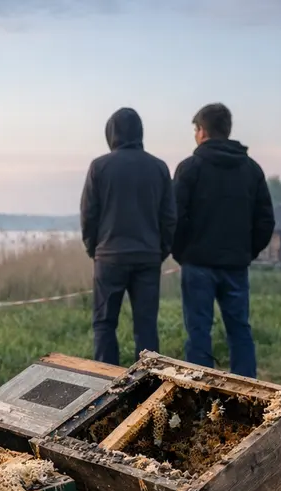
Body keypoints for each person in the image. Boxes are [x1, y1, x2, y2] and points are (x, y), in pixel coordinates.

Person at [172, 103, 275, 378]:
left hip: (197, 265)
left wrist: (183, 253)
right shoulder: (252, 170)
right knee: (240, 329)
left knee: (198, 333)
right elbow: (265, 221)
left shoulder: (189, 168)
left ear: (203, 131)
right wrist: (246, 252)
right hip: (236, 266)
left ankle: (199, 394)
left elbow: (175, 219)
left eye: (195, 129)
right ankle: (249, 394)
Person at [80, 107, 176, 366]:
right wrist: (160, 251)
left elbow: (88, 215)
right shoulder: (158, 167)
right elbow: (169, 218)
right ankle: (147, 387)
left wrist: (95, 250)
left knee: (103, 324)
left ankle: (105, 385)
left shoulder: (99, 167)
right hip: (147, 258)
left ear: (110, 133)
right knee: (146, 327)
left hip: (108, 258)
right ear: (140, 132)